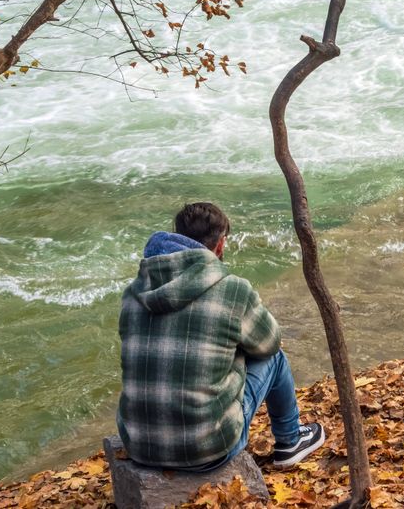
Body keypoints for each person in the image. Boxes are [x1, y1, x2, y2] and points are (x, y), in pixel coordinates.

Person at [117, 201, 325, 471]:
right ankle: (290, 440)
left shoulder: (133, 293)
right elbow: (270, 342)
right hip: (208, 449)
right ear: (220, 244)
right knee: (274, 357)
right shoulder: (232, 290)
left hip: (139, 446)